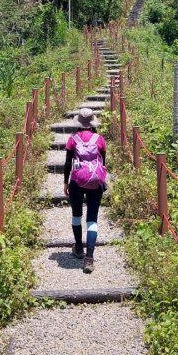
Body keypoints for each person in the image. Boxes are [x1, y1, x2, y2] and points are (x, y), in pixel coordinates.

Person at [64, 107, 107, 273]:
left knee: (76, 215)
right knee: (92, 220)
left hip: (76, 181)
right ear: (92, 123)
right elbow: (103, 164)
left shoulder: (73, 139)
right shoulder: (99, 139)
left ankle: (79, 248)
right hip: (96, 183)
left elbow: (68, 163)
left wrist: (66, 183)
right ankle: (89, 259)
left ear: (79, 123)